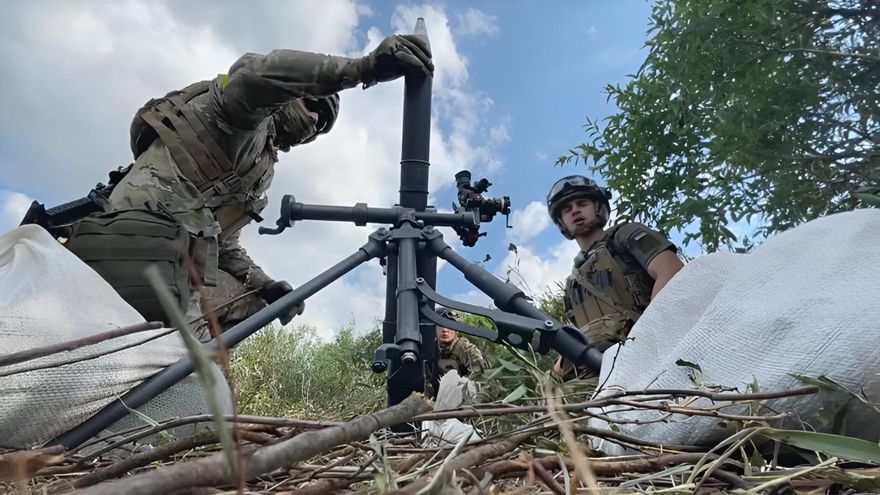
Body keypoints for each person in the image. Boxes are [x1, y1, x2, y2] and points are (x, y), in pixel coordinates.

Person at [64, 35, 433, 334]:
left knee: (253, 305)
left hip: (172, 261)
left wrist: (265, 284)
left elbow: (224, 243)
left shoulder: (260, 170)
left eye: (322, 124)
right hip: (135, 242)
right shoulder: (241, 117)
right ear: (290, 96)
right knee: (192, 357)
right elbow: (262, 75)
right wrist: (364, 68)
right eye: (313, 106)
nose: (315, 123)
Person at [546, 175, 683, 382]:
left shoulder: (625, 236)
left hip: (653, 353)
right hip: (602, 373)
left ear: (597, 207)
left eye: (582, 203)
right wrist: (554, 378)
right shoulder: (572, 284)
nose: (574, 211)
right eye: (566, 209)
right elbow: (578, 334)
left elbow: (671, 272)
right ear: (561, 222)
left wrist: (646, 338)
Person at [435, 308, 489, 378]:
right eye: (440, 324)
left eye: (449, 324)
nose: (445, 330)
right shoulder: (429, 349)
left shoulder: (467, 350)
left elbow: (479, 378)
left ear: (457, 329)